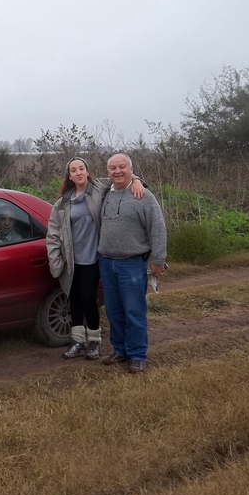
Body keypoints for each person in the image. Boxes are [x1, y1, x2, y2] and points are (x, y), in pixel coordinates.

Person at [46, 157, 144, 360]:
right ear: (70, 176)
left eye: (81, 168)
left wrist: (136, 180)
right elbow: (53, 234)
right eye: (74, 170)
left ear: (87, 171)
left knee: (89, 299)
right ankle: (77, 341)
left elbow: (120, 177)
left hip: (93, 258)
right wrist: (55, 261)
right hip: (72, 261)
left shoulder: (99, 188)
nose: (78, 172)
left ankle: (94, 341)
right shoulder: (63, 202)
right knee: (74, 300)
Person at [98, 153, 167, 373]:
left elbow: (157, 228)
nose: (117, 171)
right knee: (114, 311)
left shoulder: (143, 196)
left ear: (131, 169)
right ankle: (120, 350)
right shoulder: (106, 194)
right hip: (107, 263)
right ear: (108, 172)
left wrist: (159, 260)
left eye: (122, 167)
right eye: (112, 168)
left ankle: (138, 354)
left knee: (134, 311)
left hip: (132, 264)